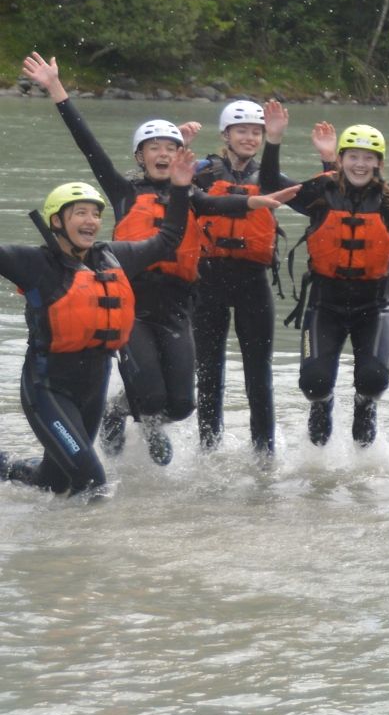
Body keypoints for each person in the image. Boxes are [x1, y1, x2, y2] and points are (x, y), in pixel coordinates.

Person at [21, 52, 287, 465]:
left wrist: (260, 203)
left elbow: (227, 207)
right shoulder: (123, 192)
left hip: (179, 308)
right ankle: (128, 413)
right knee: (151, 396)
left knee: (180, 404)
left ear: (181, 157)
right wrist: (57, 89)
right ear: (140, 156)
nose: (162, 153)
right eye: (154, 148)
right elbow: (87, 144)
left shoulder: (190, 196)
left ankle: (127, 412)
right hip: (134, 308)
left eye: (170, 147)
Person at [1, 153, 200, 495]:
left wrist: (180, 189)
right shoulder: (33, 263)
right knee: (93, 483)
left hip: (92, 386)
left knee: (54, 482)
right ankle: (88, 549)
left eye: (95, 214)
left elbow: (168, 240)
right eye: (80, 213)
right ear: (56, 222)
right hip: (48, 389)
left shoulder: (115, 256)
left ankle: (6, 467)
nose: (91, 220)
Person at [262, 101, 389, 446]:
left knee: (373, 381)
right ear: (340, 160)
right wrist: (274, 139)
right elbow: (268, 184)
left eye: (369, 157)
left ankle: (365, 407)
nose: (361, 163)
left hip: (374, 307)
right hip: (325, 306)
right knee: (315, 386)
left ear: (379, 163)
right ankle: (322, 409)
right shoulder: (317, 195)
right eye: (353, 156)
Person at [190, 99, 285, 458]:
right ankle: (208, 452)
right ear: (225, 135)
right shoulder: (203, 172)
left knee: (259, 377)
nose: (249, 137)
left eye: (256, 132)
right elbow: (167, 182)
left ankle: (264, 455)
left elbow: (310, 195)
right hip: (207, 281)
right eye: (241, 130)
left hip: (253, 283)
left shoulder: (270, 176)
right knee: (209, 374)